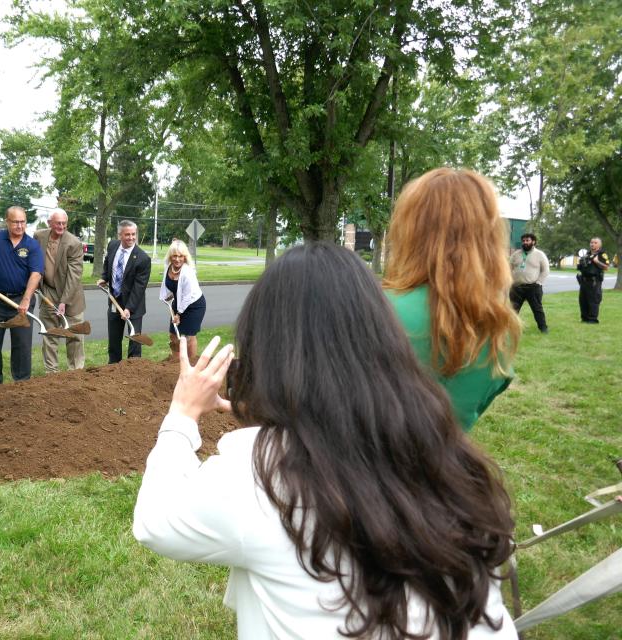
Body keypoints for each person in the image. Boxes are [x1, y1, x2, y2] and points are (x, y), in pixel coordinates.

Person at [134, 243, 517, 640]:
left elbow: (155, 521)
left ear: (269, 348)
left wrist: (182, 413)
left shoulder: (260, 473)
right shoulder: (439, 446)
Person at [383, 168, 521, 431]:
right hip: (441, 468)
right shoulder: (498, 334)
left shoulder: (374, 308)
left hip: (360, 468)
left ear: (409, 229)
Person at [0, 206, 44, 388]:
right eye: (15, 221)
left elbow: (36, 274)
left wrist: (25, 299)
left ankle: (21, 382)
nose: (19, 225)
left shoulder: (32, 245)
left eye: (23, 221)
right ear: (6, 221)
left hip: (21, 301)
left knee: (22, 343)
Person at [34, 209, 86, 372]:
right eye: (58, 223)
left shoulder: (73, 243)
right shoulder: (39, 236)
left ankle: (76, 371)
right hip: (48, 291)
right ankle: (51, 373)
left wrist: (64, 301)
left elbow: (74, 275)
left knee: (75, 335)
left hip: (71, 295)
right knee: (50, 334)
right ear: (50, 223)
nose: (61, 226)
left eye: (64, 223)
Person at [97, 220, 151, 363]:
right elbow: (108, 262)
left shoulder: (143, 258)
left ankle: (133, 370)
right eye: (127, 235)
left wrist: (129, 308)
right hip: (115, 300)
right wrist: (104, 278)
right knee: (114, 340)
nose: (131, 238)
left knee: (134, 340)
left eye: (134, 234)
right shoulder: (113, 245)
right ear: (119, 234)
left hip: (134, 305)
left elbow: (139, 287)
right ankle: (113, 368)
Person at [159, 239, 206, 362]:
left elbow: (188, 296)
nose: (177, 259)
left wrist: (179, 314)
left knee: (189, 336)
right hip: (178, 303)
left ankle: (191, 363)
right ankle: (175, 363)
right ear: (170, 256)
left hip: (194, 305)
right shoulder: (168, 267)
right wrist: (167, 300)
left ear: (185, 257)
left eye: (181, 256)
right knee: (173, 334)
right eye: (174, 256)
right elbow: (166, 286)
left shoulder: (187, 272)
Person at [509, 232, 550, 333]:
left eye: (528, 240)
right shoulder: (516, 254)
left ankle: (543, 328)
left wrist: (539, 282)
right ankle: (510, 329)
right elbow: (509, 268)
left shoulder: (539, 254)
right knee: (512, 309)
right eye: (523, 241)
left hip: (533, 287)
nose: (525, 242)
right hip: (517, 287)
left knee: (537, 309)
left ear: (533, 242)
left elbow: (545, 270)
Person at [577, 237, 611, 324]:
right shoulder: (586, 254)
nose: (592, 244)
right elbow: (581, 268)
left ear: (599, 244)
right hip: (584, 281)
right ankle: (584, 318)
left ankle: (592, 319)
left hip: (594, 281)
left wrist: (596, 261)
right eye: (591, 242)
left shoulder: (602, 254)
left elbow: (606, 267)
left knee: (593, 300)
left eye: (595, 243)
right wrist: (580, 263)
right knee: (583, 300)